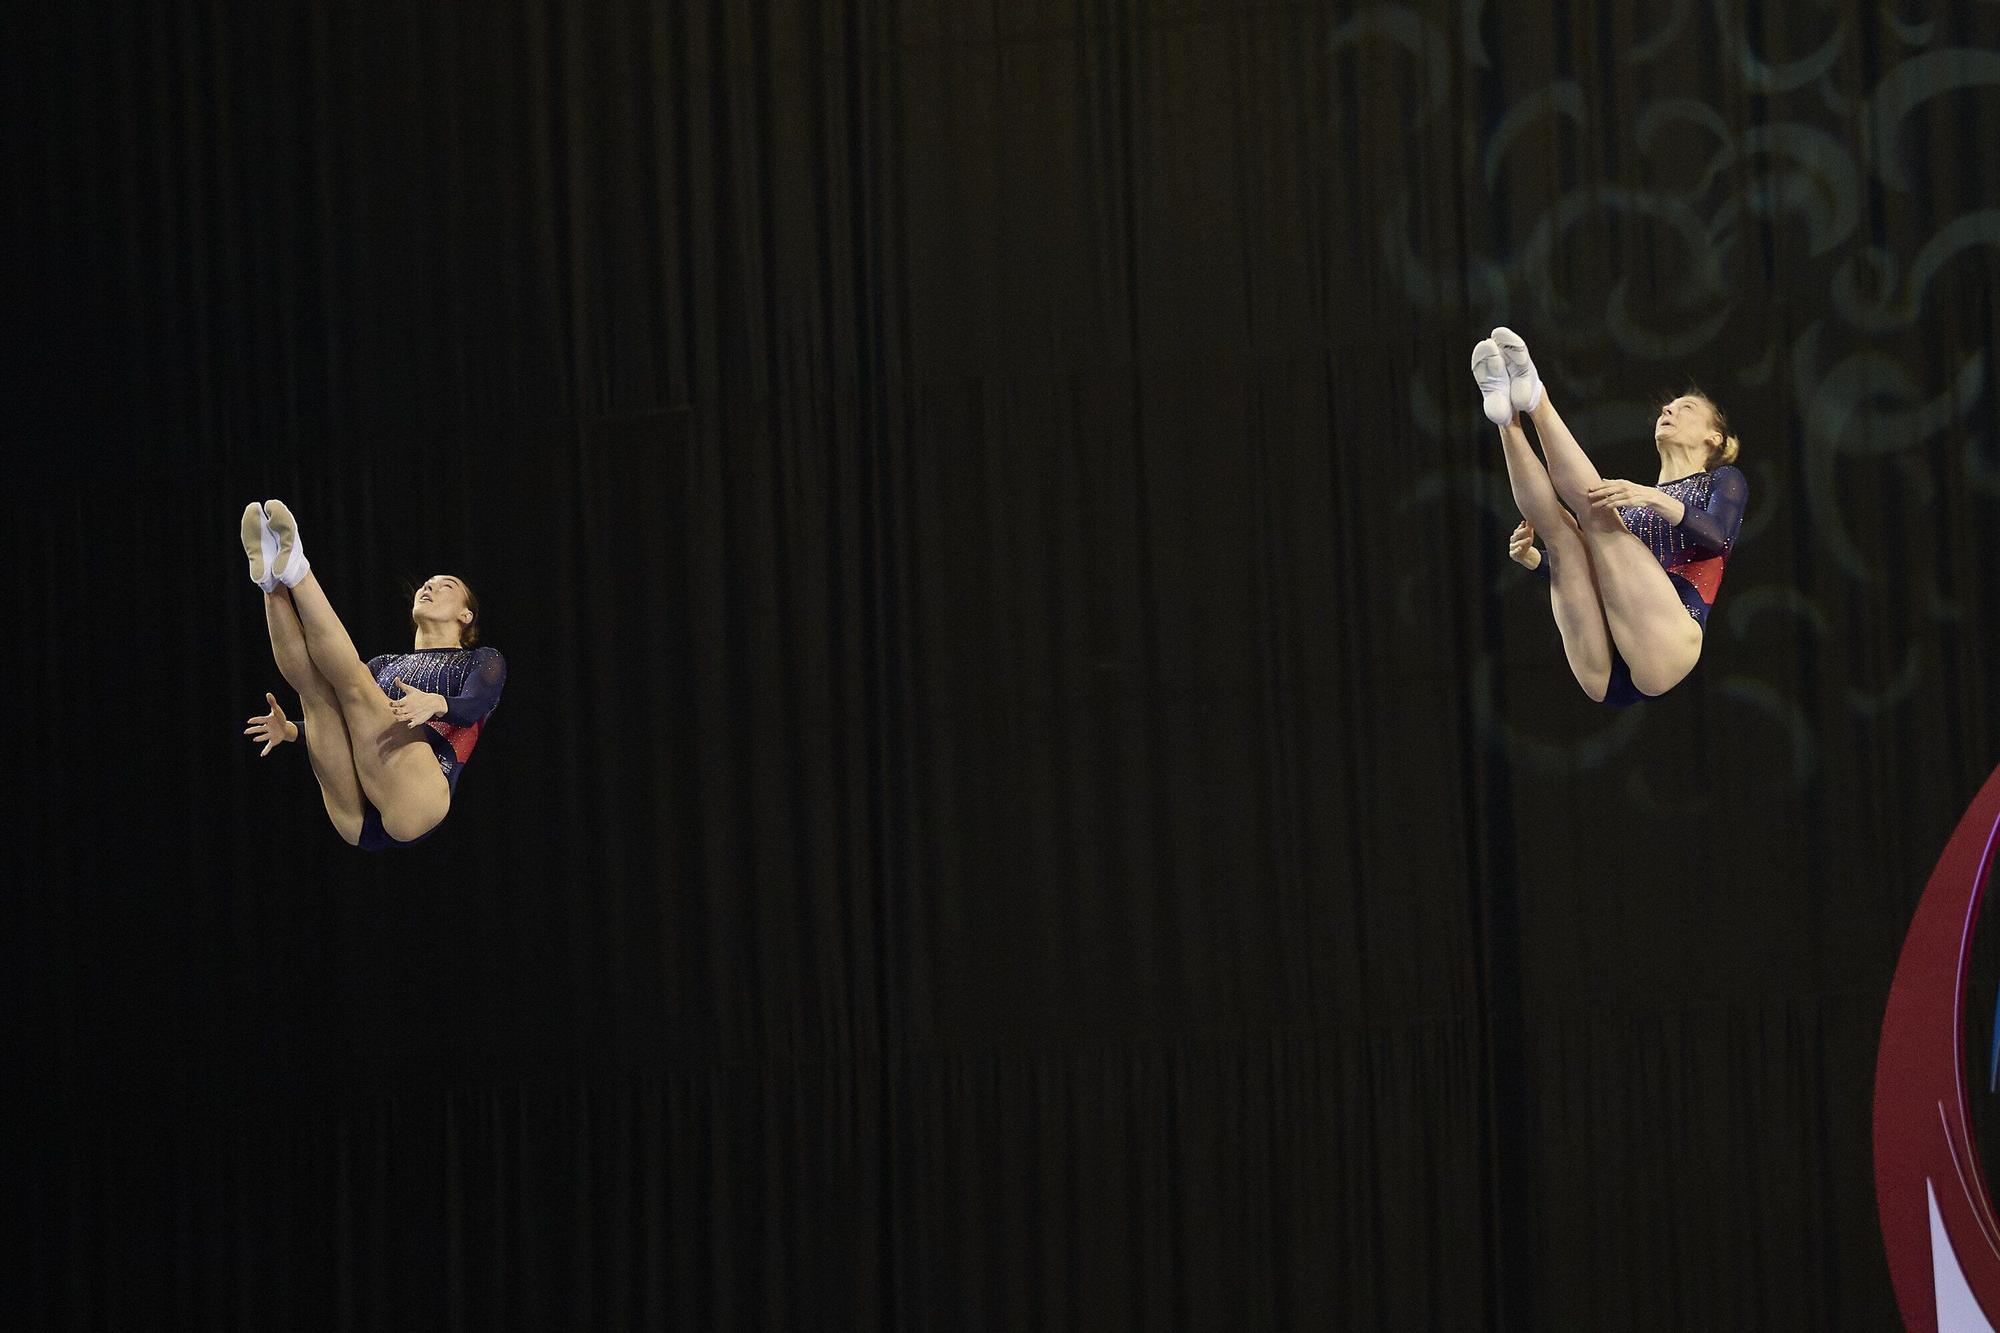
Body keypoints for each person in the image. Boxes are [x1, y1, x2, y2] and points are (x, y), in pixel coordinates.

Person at [1472, 327, 1748, 706]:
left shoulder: (1722, 480)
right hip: (1604, 672)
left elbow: (1719, 537)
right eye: (1669, 406)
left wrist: (1654, 499)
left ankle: (1537, 399)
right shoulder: (1631, 503)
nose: (1668, 409)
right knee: (1563, 535)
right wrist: (1536, 561)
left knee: (1600, 516)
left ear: (1714, 438)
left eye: (1687, 409)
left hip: (1667, 648)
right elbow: (1594, 574)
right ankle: (1505, 415)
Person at [238, 500, 506, 849]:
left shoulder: (481, 660)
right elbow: (355, 726)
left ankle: (299, 572)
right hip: (358, 822)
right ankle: (271, 583)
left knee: (353, 684)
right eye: (427, 583)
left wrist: (437, 703)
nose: (429, 586)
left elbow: (478, 704)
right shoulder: (384, 665)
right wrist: (291, 731)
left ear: (466, 616)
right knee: (316, 695)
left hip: (418, 800)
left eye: (446, 586)